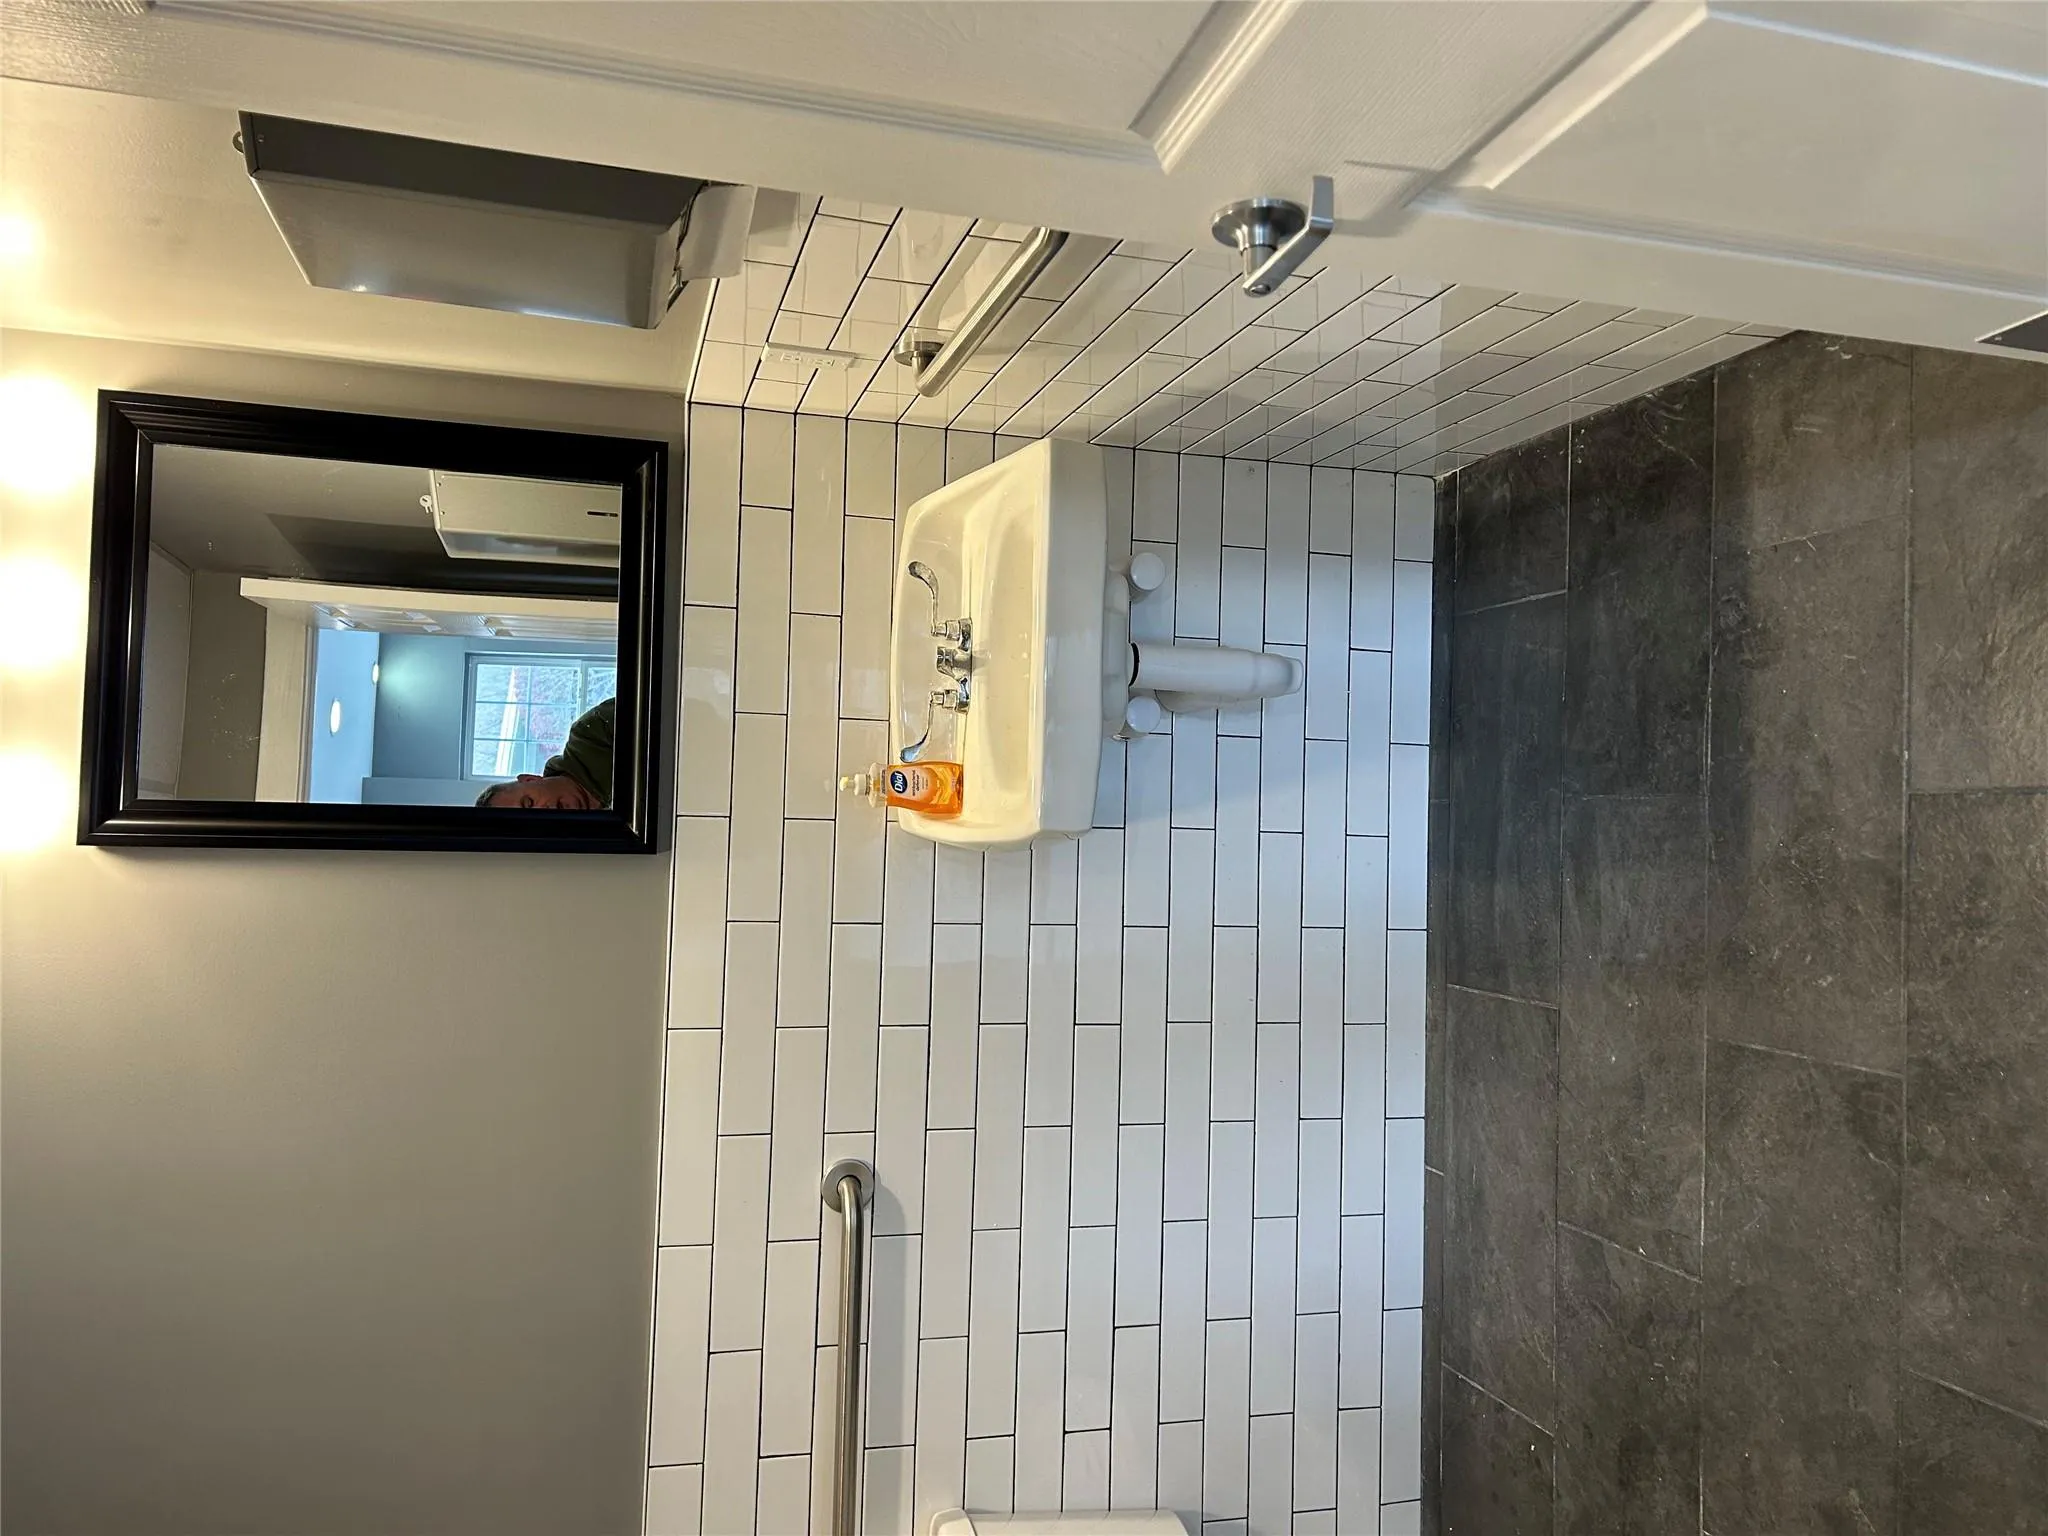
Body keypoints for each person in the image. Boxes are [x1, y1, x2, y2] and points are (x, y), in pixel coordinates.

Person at [475, 696, 613, 810]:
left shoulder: (591, 735)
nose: (544, 811)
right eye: (534, 822)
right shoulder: (604, 839)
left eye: (529, 803)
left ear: (530, 779)